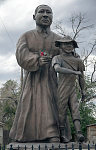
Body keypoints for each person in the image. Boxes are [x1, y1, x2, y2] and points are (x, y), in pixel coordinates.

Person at [9, 5, 63, 143]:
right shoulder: (26, 36)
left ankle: (53, 133)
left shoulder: (59, 39)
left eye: (49, 12)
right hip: (32, 80)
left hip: (51, 79)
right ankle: (26, 135)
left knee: (51, 105)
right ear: (34, 17)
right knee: (29, 106)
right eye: (41, 12)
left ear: (52, 17)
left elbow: (67, 57)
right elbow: (21, 54)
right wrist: (37, 60)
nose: (45, 15)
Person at [52, 36, 85, 143]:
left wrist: (83, 90)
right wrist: (73, 72)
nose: (68, 46)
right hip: (62, 88)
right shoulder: (57, 58)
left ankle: (79, 133)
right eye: (65, 44)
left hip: (72, 89)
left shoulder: (78, 60)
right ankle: (62, 134)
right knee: (62, 111)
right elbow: (57, 69)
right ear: (60, 46)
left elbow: (81, 76)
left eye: (71, 44)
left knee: (75, 110)